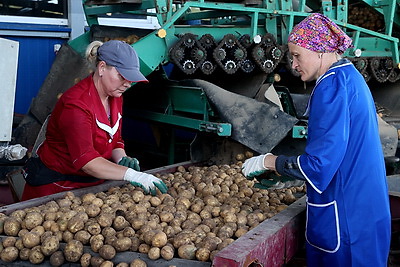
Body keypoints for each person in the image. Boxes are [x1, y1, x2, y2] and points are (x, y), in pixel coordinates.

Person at [242, 13, 391, 266]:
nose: (293, 64)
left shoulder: (330, 87)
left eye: (297, 55)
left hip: (345, 221)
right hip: (367, 210)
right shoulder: (350, 77)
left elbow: (320, 165)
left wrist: (270, 162)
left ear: (320, 51)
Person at [21, 40, 167, 200]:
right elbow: (87, 161)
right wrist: (133, 175)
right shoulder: (76, 105)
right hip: (58, 189)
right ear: (102, 67)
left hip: (93, 187)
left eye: (131, 79)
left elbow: (115, 140)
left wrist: (122, 158)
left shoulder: (115, 96)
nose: (127, 84)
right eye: (122, 76)